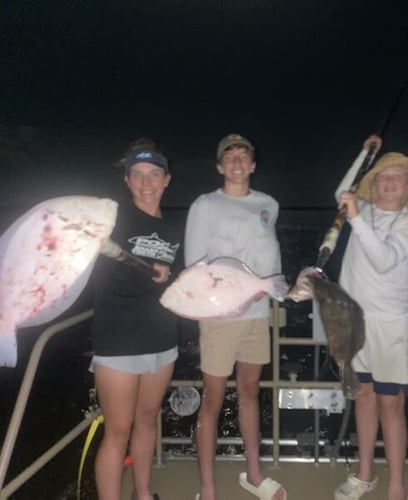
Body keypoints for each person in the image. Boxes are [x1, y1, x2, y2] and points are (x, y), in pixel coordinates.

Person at [333, 136, 408, 500]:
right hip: (354, 322)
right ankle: (364, 475)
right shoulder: (363, 207)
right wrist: (365, 154)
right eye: (382, 176)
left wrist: (357, 219)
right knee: (363, 397)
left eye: (397, 177)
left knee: (391, 403)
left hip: (391, 324)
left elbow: (385, 259)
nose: (389, 182)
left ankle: (396, 485)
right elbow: (342, 192)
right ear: (373, 184)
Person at [185, 134, 286, 500]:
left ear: (253, 165)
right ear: (219, 166)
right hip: (219, 318)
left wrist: (275, 288)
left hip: (259, 315)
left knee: (249, 393)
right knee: (212, 400)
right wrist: (228, 297)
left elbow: (271, 265)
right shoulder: (205, 205)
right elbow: (195, 267)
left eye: (244, 156)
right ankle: (208, 488)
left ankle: (254, 475)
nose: (238, 161)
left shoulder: (268, 205)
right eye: (230, 156)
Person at [90, 138, 182, 500]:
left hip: (164, 339)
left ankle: (143, 493)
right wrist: (148, 275)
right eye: (138, 175)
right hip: (118, 340)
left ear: (167, 179)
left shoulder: (176, 228)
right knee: (117, 431)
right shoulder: (111, 219)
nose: (147, 183)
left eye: (154, 174)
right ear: (127, 181)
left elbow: (183, 278)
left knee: (147, 421)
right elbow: (101, 271)